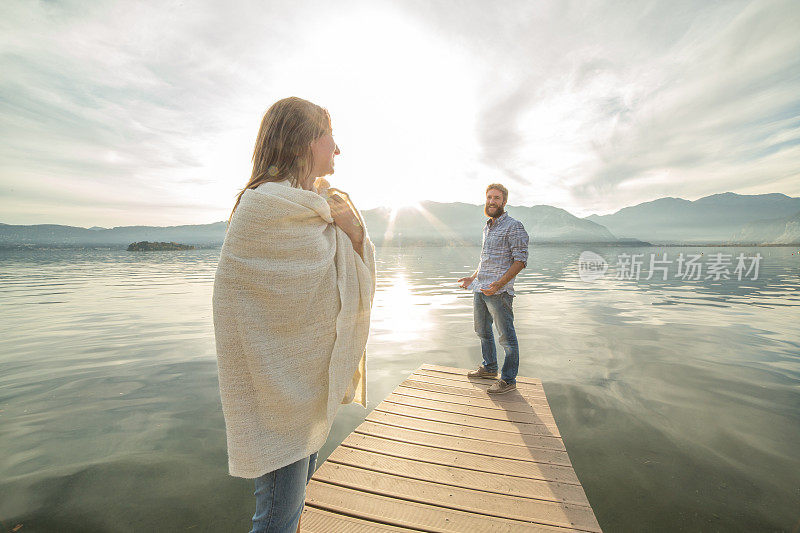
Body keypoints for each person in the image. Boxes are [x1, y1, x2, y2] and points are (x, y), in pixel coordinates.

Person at [212, 97, 375, 533]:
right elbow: (245, 307)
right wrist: (347, 231)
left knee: (291, 510)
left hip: (308, 384)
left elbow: (334, 279)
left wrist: (355, 233)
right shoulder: (263, 208)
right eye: (330, 136)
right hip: (275, 391)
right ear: (305, 141)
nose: (337, 149)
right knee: (275, 520)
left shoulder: (317, 205)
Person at [458, 184, 529, 394]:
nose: (492, 201)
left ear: (504, 202)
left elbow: (521, 260)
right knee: (482, 330)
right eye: (489, 197)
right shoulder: (487, 227)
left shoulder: (514, 226)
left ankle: (508, 380)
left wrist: (499, 284)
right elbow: (485, 260)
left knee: (506, 337)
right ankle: (489, 368)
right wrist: (472, 278)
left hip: (500, 293)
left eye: (496, 198)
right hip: (480, 289)